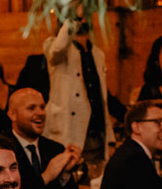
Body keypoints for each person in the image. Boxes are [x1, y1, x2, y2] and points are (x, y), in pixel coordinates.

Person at [42, 21, 115, 164]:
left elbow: (103, 99)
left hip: (97, 134)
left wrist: (110, 138)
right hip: (69, 132)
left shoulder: (98, 54)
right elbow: (59, 48)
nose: (81, 19)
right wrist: (72, 19)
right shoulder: (55, 48)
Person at [6, 88, 82, 189]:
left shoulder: (56, 149)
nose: (40, 113)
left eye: (42, 107)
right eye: (31, 108)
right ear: (13, 114)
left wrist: (65, 175)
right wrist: (47, 176)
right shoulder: (3, 149)